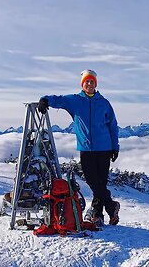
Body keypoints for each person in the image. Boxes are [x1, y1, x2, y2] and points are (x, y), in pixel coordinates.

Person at [38, 69, 120, 226]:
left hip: (104, 147)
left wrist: (115, 147)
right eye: (86, 82)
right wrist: (45, 100)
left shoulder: (104, 103)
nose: (89, 84)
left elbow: (113, 126)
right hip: (86, 148)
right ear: (83, 84)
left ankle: (97, 214)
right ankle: (111, 206)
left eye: (92, 82)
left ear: (95, 84)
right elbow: (59, 100)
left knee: (101, 182)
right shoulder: (75, 101)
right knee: (92, 180)